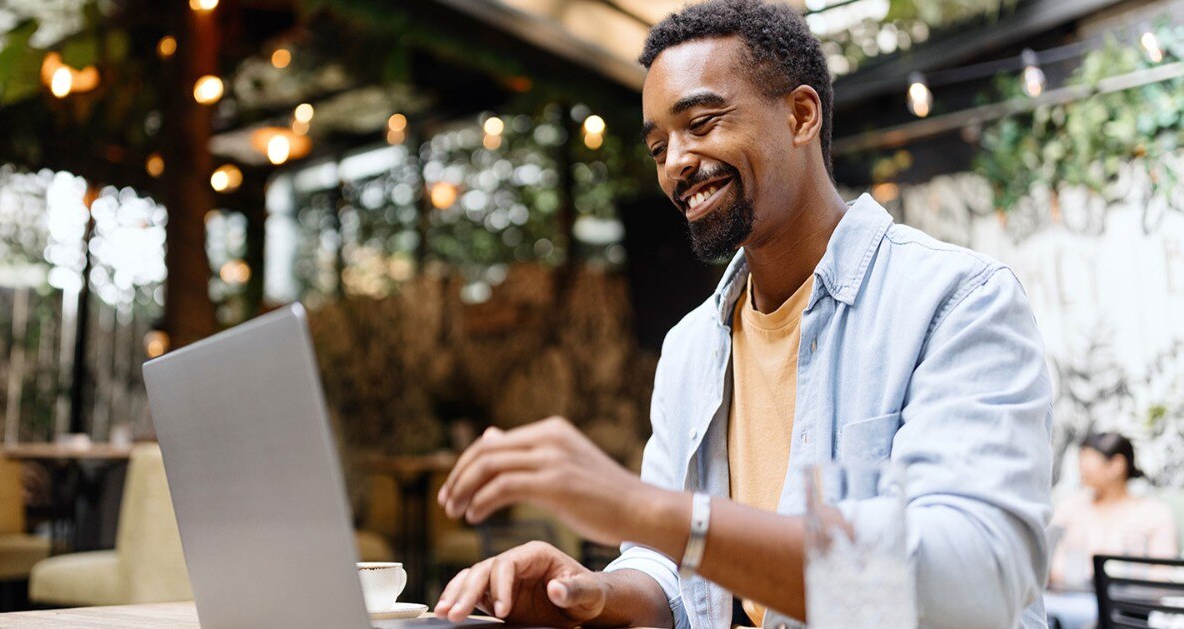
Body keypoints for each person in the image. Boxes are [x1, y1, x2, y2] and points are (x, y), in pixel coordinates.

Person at [434, 1, 1053, 627]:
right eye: (657, 147)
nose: (675, 162)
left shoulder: (957, 300)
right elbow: (667, 570)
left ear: (801, 115)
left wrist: (641, 507)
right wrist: (594, 596)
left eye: (701, 122)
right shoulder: (689, 348)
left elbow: (971, 581)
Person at [1047, 432, 1177, 590]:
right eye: (1081, 461)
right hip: (1071, 602)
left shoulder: (1154, 513)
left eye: (1087, 461)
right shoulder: (1069, 507)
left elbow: (1162, 574)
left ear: (1117, 465)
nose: (1081, 468)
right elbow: (1049, 564)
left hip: (1129, 607)